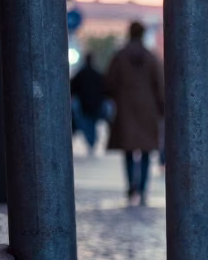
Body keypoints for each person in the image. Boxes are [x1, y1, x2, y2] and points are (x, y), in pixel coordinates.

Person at [105, 22, 164, 205]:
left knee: (129, 151)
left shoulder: (119, 57)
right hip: (148, 109)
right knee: (146, 151)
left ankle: (131, 186)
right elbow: (159, 85)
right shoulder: (151, 58)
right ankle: (143, 188)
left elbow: (109, 84)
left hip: (126, 108)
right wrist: (162, 109)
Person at [70, 53, 106, 156]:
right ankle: (92, 142)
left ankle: (91, 142)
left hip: (85, 104)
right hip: (94, 104)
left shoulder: (81, 73)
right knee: (92, 124)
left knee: (87, 124)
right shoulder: (96, 74)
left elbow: (73, 86)